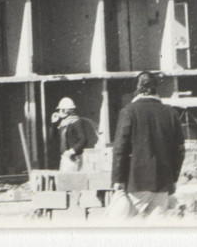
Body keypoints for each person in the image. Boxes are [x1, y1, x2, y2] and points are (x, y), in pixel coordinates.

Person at [110, 73, 184, 216]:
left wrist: (118, 179)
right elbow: (179, 151)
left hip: (136, 183)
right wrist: (173, 179)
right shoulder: (171, 113)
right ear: (156, 89)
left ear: (136, 89)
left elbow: (120, 149)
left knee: (129, 227)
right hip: (163, 183)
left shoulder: (128, 111)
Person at [51, 97, 98, 172]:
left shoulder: (76, 122)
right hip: (65, 156)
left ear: (68, 110)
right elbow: (54, 137)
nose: (59, 112)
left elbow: (83, 139)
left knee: (70, 180)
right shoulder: (63, 123)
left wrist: (72, 151)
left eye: (61, 109)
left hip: (73, 157)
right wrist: (54, 123)